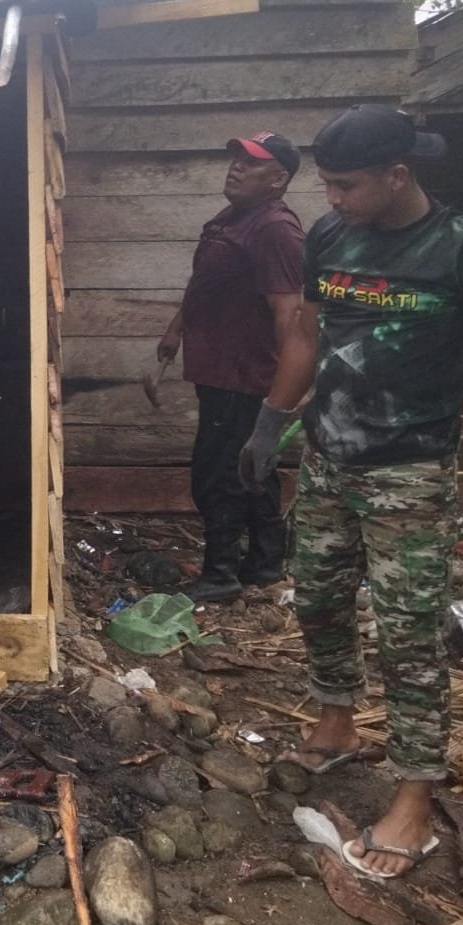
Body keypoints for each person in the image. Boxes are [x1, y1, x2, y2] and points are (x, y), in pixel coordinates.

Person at [240, 105, 463, 877]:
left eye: (346, 185)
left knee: (409, 635)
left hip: (410, 470)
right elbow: (306, 335)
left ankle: (414, 796)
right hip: (328, 458)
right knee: (317, 597)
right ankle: (337, 722)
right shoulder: (329, 238)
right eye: (328, 184)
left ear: (397, 175)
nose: (332, 198)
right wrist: (270, 424)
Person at [157, 131, 305, 602]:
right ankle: (264, 563)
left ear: (278, 179)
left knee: (218, 474)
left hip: (247, 375)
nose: (237, 166)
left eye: (252, 162)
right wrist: (176, 329)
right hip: (220, 370)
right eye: (237, 157)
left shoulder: (275, 229)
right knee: (251, 467)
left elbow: (289, 311)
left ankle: (220, 575)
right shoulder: (232, 218)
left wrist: (289, 384)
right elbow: (206, 281)